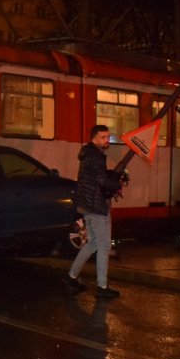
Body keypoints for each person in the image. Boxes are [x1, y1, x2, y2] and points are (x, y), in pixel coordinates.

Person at [64, 124, 121, 298]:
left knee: (93, 243)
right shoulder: (95, 156)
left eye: (108, 137)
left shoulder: (90, 154)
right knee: (103, 245)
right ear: (94, 138)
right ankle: (102, 287)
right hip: (95, 206)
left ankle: (72, 276)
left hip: (89, 204)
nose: (107, 141)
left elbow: (98, 177)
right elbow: (102, 180)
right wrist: (117, 183)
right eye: (103, 137)